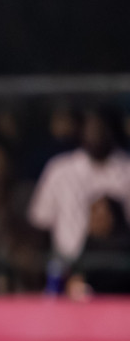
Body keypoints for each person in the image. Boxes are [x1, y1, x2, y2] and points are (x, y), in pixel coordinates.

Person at [27, 108, 130, 295]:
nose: (97, 134)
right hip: (68, 267)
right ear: (81, 129)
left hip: (119, 269)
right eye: (91, 128)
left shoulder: (126, 168)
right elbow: (40, 222)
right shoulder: (60, 169)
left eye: (102, 127)